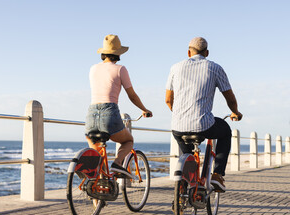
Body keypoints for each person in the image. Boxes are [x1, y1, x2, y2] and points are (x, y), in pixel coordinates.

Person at [165, 37, 243, 192]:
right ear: (207, 52)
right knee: (225, 131)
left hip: (178, 127)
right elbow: (230, 98)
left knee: (188, 158)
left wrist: (182, 114)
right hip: (203, 125)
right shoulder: (214, 68)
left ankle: (182, 192)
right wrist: (235, 112)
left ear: (188, 52)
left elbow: (168, 100)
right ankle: (218, 175)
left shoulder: (176, 67)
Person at [85, 34, 152, 178]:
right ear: (118, 53)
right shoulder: (120, 69)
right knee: (128, 140)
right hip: (109, 114)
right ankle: (117, 164)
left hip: (91, 116)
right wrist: (144, 109)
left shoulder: (93, 69)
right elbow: (132, 95)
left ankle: (98, 188)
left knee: (97, 154)